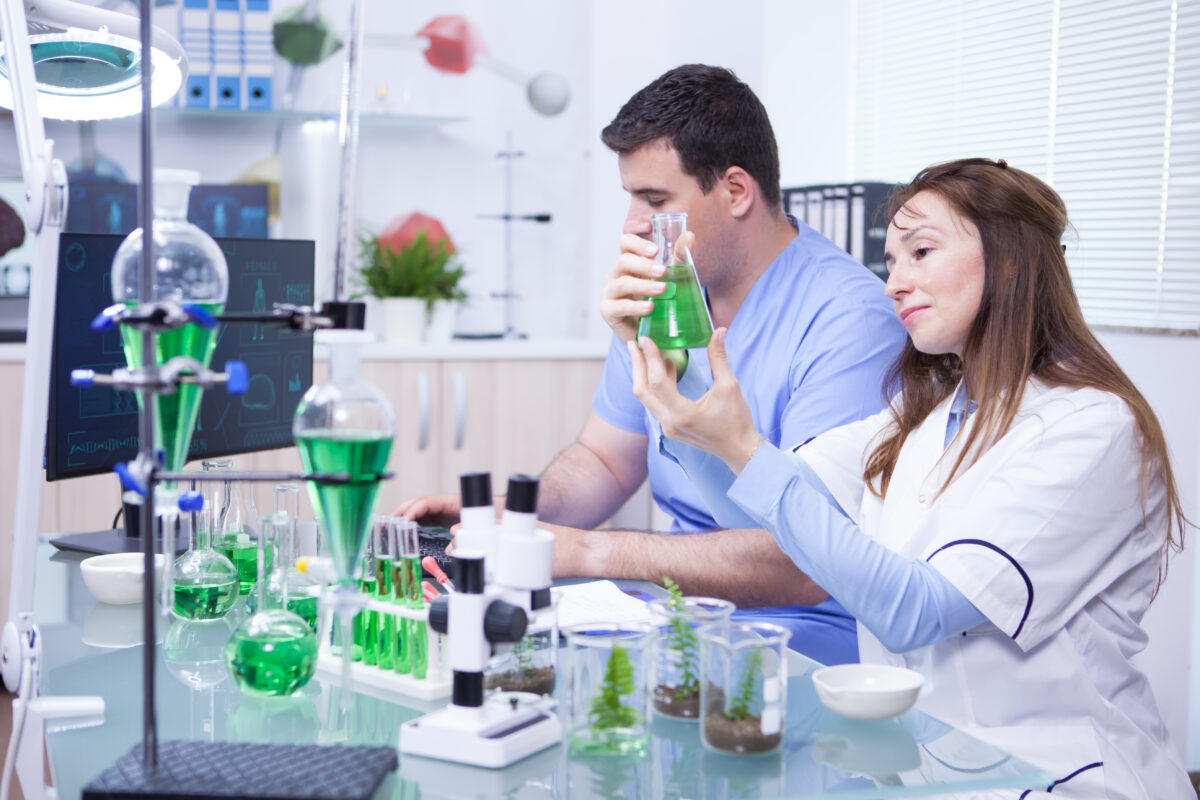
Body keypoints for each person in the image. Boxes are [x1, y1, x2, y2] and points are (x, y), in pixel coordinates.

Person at [627, 157, 1191, 798]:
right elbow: (757, 509)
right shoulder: (921, 420)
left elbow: (917, 611)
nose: (894, 282)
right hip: (929, 767)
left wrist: (744, 448)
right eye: (891, 261)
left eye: (921, 251)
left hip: (1057, 775)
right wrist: (666, 367)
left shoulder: (1092, 429)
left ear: (1010, 261)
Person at [394, 64, 906, 666]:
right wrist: (509, 517)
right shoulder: (665, 293)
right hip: (672, 608)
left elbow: (803, 567)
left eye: (655, 200)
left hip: (799, 635)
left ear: (736, 191)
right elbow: (605, 461)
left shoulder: (851, 321)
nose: (634, 224)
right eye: (632, 197)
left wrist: (588, 551)